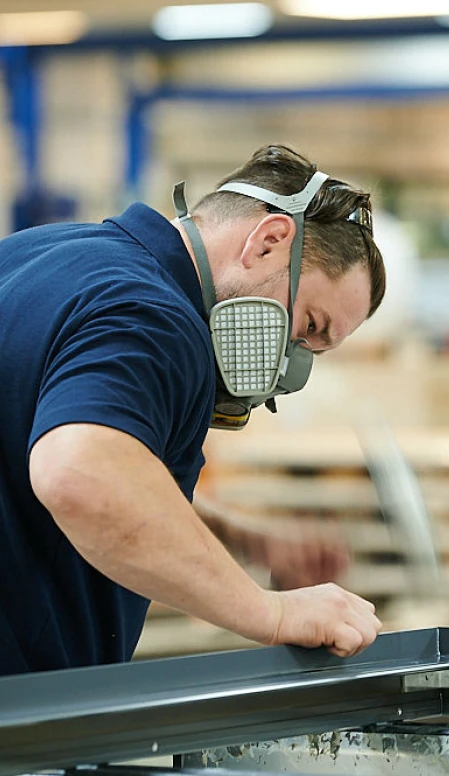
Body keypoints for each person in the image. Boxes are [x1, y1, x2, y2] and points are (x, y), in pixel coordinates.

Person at [0, 144, 386, 676]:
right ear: (270, 242)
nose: (287, 367)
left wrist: (234, 536)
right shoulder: (156, 318)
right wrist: (271, 614)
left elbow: (53, 455)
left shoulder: (42, 253)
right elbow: (78, 473)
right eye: (308, 327)